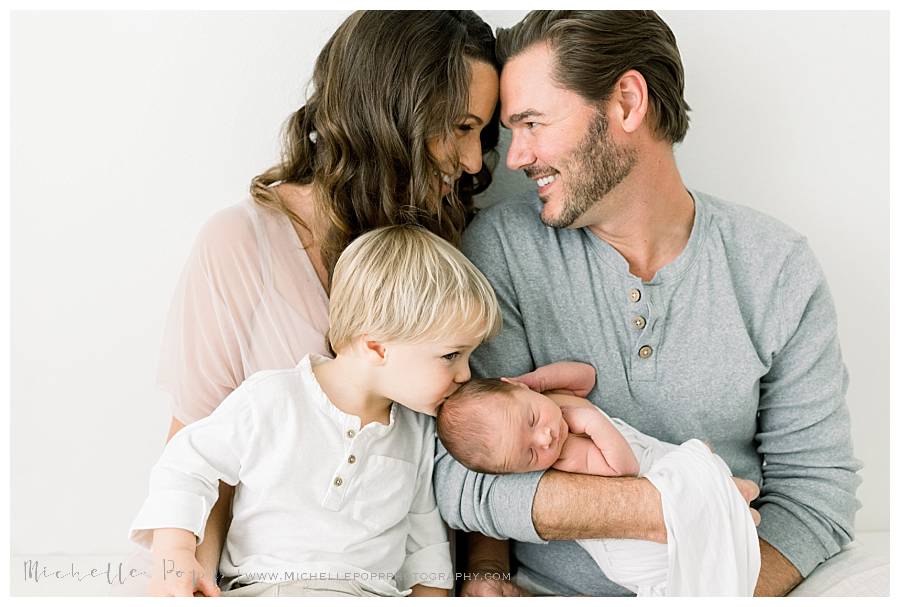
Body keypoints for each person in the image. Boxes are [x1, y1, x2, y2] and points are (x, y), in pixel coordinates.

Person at [433, 10, 861, 597]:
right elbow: (463, 473)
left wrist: (713, 587)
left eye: (532, 123)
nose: (514, 158)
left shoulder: (775, 267)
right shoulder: (501, 250)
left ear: (628, 103)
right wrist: (669, 507)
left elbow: (817, 490)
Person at [119, 10, 501, 595]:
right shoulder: (242, 244)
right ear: (389, 115)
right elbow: (199, 452)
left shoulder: (447, 250)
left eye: (482, 133)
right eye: (458, 127)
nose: (474, 162)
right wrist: (186, 568)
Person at [129, 224, 502, 596]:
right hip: (264, 592)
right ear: (376, 348)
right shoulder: (272, 398)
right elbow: (187, 462)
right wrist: (174, 552)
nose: (465, 374)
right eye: (451, 355)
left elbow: (424, 544)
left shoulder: (418, 432)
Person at [436, 362, 760, 596]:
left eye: (533, 419)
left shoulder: (547, 399)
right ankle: (729, 513)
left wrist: (537, 379)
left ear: (518, 388)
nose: (545, 438)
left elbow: (585, 376)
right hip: (629, 541)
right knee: (696, 505)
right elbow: (623, 469)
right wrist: (589, 419)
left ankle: (729, 509)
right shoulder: (567, 454)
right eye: (529, 455)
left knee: (709, 488)